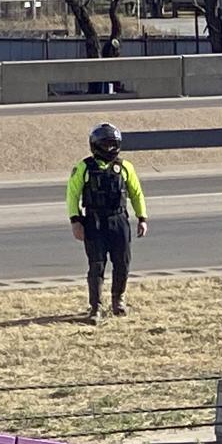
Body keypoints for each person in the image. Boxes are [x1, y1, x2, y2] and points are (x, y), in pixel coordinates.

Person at [67, 123, 148, 323]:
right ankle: (96, 307)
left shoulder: (125, 167)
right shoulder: (84, 167)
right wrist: (75, 221)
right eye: (106, 145)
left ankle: (118, 300)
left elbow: (136, 193)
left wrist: (142, 217)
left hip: (119, 220)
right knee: (96, 265)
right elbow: (72, 195)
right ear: (95, 145)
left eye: (114, 145)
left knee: (122, 262)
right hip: (94, 221)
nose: (110, 149)